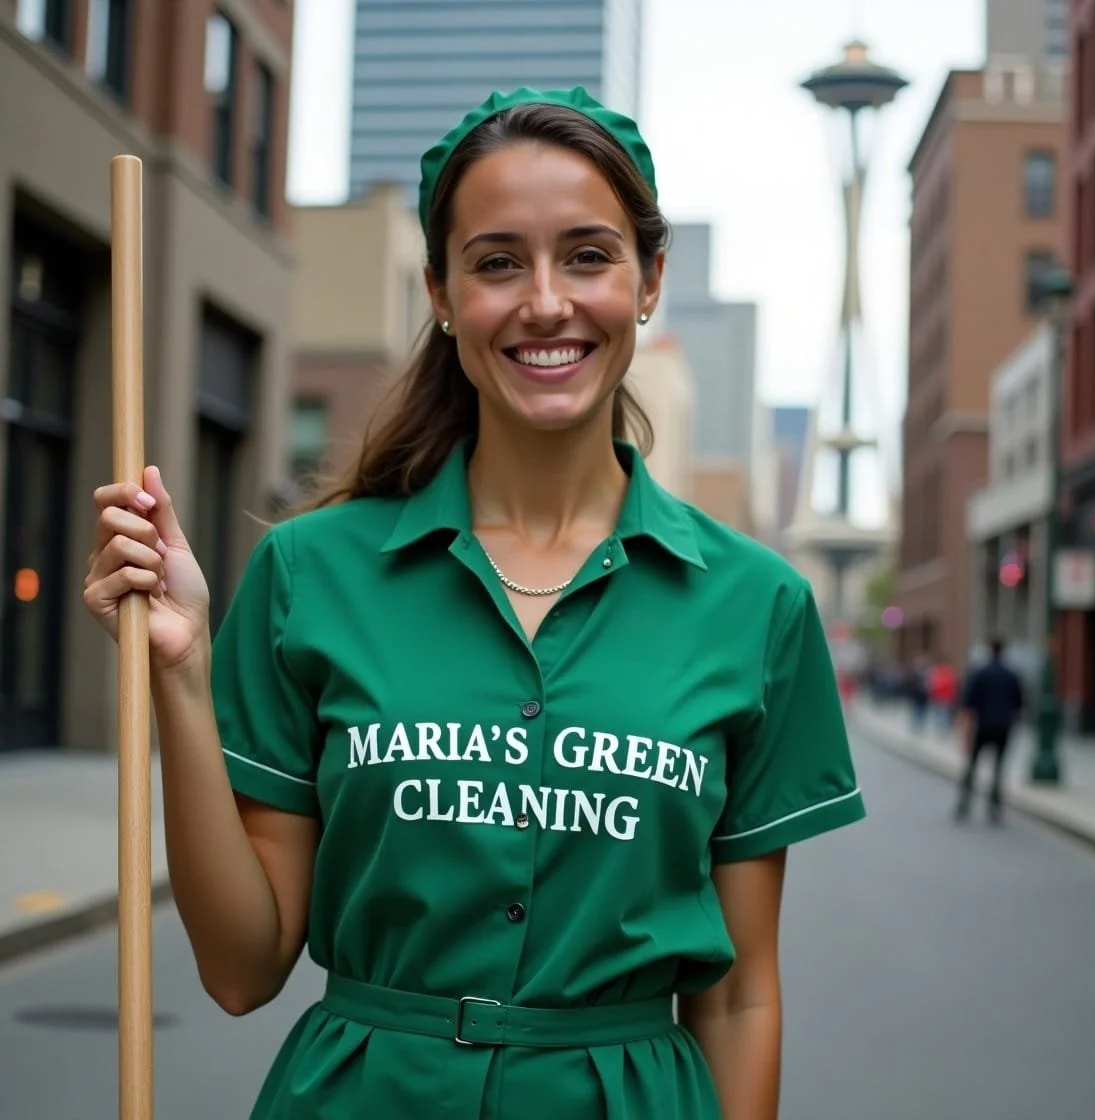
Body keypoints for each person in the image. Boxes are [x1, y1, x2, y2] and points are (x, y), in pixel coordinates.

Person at [83, 87, 865, 1120]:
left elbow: (739, 995)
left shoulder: (756, 605)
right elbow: (240, 968)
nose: (545, 301)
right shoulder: (311, 574)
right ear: (443, 294)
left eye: (587, 255)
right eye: (498, 262)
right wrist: (181, 674)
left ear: (649, 280)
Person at [954, 635, 1024, 824]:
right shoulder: (1011, 674)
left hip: (982, 725)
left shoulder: (980, 673)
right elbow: (1019, 703)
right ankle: (995, 808)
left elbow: (968, 703)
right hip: (1003, 726)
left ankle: (964, 804)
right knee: (999, 768)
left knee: (972, 765)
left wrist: (965, 731)